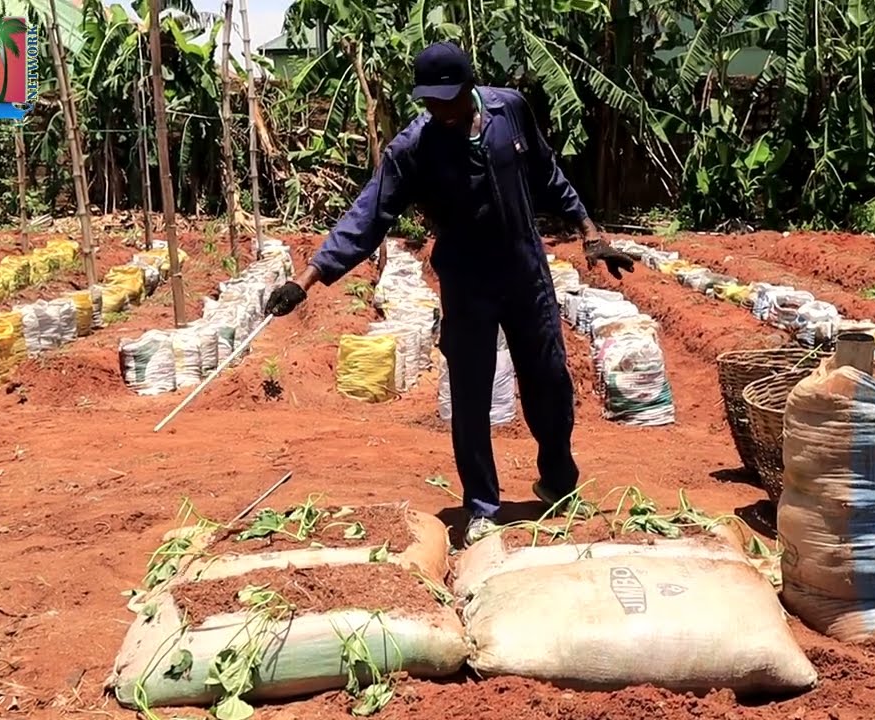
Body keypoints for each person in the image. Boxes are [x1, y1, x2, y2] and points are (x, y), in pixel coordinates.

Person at [264, 41, 635, 545]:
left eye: (446, 97)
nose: (435, 107)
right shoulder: (414, 147)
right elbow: (367, 216)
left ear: (469, 87)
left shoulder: (510, 109)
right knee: (471, 394)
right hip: (467, 282)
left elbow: (547, 172)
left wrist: (590, 231)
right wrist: (306, 279)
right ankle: (482, 504)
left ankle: (558, 482)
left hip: (526, 272)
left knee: (548, 379)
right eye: (428, 99)